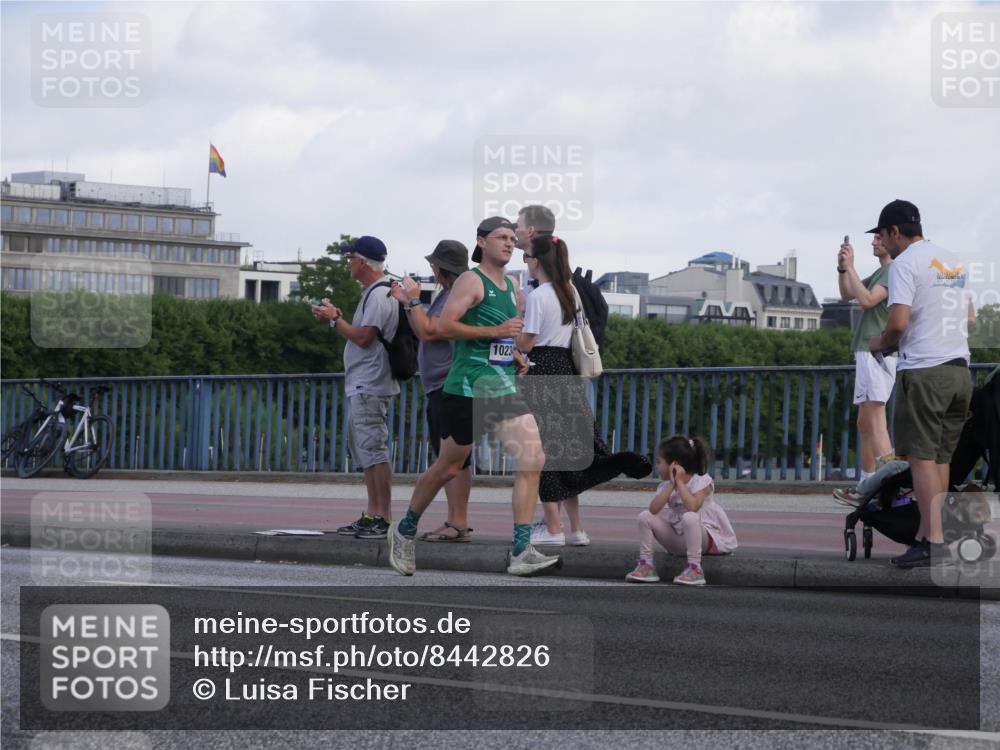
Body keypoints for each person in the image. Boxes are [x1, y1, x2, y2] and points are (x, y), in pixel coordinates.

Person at [387, 217, 560, 577]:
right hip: (465, 386)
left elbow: (502, 336)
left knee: (532, 457)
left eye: (513, 238)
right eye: (501, 237)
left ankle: (520, 549)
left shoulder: (512, 286)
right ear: (481, 242)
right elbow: (443, 327)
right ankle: (404, 531)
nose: (510, 244)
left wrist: (514, 354)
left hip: (500, 385)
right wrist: (495, 330)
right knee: (449, 467)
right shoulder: (471, 280)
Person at [516, 233, 652, 547]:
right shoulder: (571, 291)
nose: (525, 263)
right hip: (568, 369)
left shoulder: (539, 296)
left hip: (542, 370)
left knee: (543, 454)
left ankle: (552, 528)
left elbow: (527, 342)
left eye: (526, 257)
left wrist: (517, 319)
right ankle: (575, 527)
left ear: (537, 260)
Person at [866, 199, 974, 567]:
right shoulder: (952, 260)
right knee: (940, 457)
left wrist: (879, 343)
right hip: (960, 371)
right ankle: (933, 535)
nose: (882, 241)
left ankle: (933, 541)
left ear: (895, 232)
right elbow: (969, 316)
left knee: (920, 457)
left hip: (925, 371)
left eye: (882, 234)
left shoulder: (904, 265)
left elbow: (897, 323)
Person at [311, 236, 398, 540]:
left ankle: (382, 516)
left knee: (373, 449)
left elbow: (364, 338)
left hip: (370, 382)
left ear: (362, 261)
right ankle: (374, 513)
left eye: (350, 259)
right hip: (366, 382)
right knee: (366, 450)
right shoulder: (378, 291)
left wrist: (335, 320)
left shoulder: (378, 294)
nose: (348, 264)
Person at [389, 240, 474, 542]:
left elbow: (427, 331)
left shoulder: (453, 297)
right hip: (447, 384)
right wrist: (407, 302)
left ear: (441, 268)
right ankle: (458, 522)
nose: (431, 270)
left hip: (447, 384)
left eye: (434, 265)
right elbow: (425, 331)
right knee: (456, 459)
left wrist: (413, 301)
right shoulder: (451, 295)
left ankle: (453, 523)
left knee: (448, 461)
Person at [832, 233, 897, 506]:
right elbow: (849, 293)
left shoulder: (892, 271)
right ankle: (867, 482)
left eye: (878, 238)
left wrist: (853, 267)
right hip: (869, 353)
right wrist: (843, 268)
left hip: (877, 352)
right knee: (864, 423)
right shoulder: (881, 271)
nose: (873, 243)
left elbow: (868, 300)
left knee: (876, 422)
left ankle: (889, 485)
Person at [626, 436, 737, 586]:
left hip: (703, 537)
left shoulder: (701, 481)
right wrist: (671, 485)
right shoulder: (665, 486)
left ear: (674, 465)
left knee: (689, 517)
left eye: (659, 462)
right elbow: (653, 509)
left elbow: (693, 507)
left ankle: (695, 568)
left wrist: (679, 482)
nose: (657, 467)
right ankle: (646, 565)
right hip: (678, 540)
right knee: (644, 516)